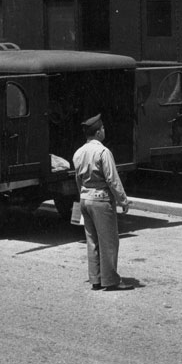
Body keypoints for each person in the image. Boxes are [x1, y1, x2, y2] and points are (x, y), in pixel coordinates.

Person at [72, 113, 134, 291]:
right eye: (103, 128)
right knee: (109, 242)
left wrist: (82, 196)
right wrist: (123, 200)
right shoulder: (103, 152)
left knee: (92, 241)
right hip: (101, 200)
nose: (104, 131)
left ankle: (96, 280)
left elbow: (77, 179)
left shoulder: (78, 153)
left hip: (85, 199)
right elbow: (112, 180)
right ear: (98, 132)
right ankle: (111, 280)